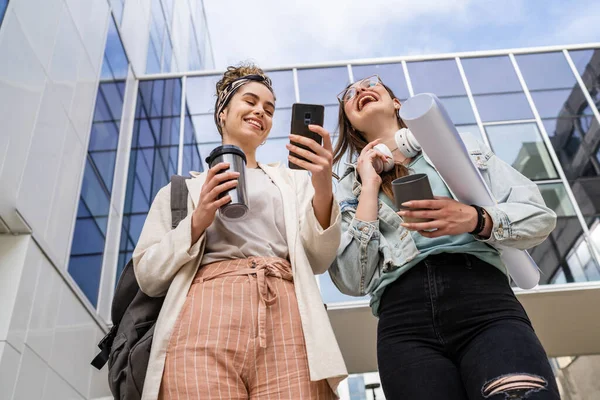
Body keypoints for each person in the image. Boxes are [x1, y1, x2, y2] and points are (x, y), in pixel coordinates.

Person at [329, 74, 560, 400]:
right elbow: (353, 280)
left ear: (397, 103)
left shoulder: (460, 146)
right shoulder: (350, 186)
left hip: (484, 304)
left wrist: (474, 218)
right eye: (350, 94)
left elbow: (539, 216)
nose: (361, 90)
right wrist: (368, 185)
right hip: (403, 327)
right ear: (351, 124)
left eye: (371, 83)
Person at [133, 63, 347, 400]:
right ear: (223, 111)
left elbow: (319, 259)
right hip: (201, 320)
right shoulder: (181, 191)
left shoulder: (292, 183)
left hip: (287, 318)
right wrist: (197, 219)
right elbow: (147, 275)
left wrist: (322, 187)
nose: (260, 112)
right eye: (250, 101)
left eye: (269, 109)